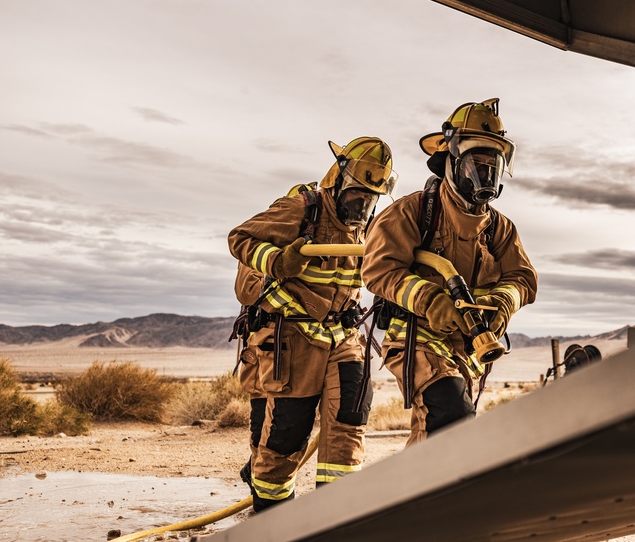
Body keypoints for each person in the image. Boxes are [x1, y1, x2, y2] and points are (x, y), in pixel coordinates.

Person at [228, 136, 397, 512]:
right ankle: (272, 514)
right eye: (356, 194)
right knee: (286, 434)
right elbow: (239, 238)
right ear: (337, 179)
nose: (362, 204)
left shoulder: (367, 225)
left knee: (350, 421)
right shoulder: (300, 209)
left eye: (370, 198)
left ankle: (335, 515)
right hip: (295, 338)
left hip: (345, 337)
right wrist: (277, 262)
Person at [361, 98, 537, 445]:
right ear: (450, 162)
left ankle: (413, 496)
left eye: (491, 166)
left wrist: (504, 301)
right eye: (476, 164)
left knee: (442, 435)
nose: (484, 175)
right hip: (418, 335)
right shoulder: (412, 212)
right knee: (451, 417)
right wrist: (430, 300)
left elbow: (524, 279)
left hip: (468, 347)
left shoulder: (499, 228)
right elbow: (378, 269)